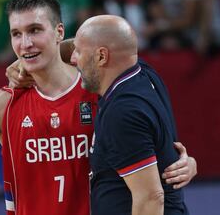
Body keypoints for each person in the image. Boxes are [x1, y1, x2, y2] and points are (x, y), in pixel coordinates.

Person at [0, 0, 195, 215]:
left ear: (59, 32)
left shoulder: (101, 91)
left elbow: (148, 157)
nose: (25, 43)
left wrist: (179, 165)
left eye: (34, 30)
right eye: (16, 34)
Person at [70, 15, 189, 214]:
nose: (73, 58)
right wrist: (27, 60)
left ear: (101, 56)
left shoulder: (122, 113)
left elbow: (151, 198)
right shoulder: (144, 73)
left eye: (78, 52)